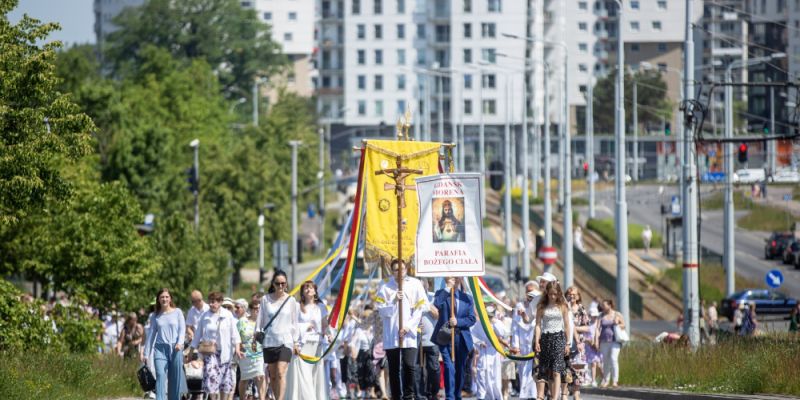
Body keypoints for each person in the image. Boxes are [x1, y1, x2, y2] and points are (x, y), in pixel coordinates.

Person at [375, 260, 428, 400]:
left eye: (402, 268)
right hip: (392, 331)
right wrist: (393, 300)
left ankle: (409, 394)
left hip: (409, 332)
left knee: (410, 365)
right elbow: (380, 309)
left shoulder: (415, 283)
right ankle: (396, 395)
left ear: (406, 269)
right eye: (396, 269)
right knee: (393, 368)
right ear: (392, 271)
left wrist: (408, 326)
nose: (400, 271)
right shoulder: (385, 284)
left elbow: (420, 308)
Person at [256, 270, 300, 400]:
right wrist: (256, 334)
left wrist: (296, 342)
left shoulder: (291, 300)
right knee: (273, 376)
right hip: (269, 341)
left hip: (285, 341)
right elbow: (260, 319)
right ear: (273, 284)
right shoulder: (265, 299)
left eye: (283, 283)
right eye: (277, 283)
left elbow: (294, 323)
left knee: (281, 373)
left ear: (286, 284)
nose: (280, 286)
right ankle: (276, 397)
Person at [192, 291, 242, 400]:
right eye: (210, 302)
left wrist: (237, 349)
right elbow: (197, 334)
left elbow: (235, 334)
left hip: (225, 353)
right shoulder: (205, 316)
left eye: (214, 302)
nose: (211, 304)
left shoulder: (227, 315)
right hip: (210, 353)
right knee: (211, 378)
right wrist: (192, 350)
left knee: (225, 382)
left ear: (220, 302)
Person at [433, 276, 476, 400]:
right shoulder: (441, 293)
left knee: (460, 369)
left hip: (461, 338)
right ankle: (450, 397)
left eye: (458, 277)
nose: (455, 280)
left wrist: (458, 322)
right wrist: (447, 288)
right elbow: (437, 304)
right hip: (445, 337)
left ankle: (457, 395)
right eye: (453, 277)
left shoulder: (467, 298)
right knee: (449, 366)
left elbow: (471, 318)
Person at [142, 288, 188, 400]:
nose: (164, 299)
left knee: (174, 379)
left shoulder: (177, 312)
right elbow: (151, 335)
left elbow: (182, 329)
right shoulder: (155, 315)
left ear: (170, 298)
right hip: (160, 349)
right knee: (160, 375)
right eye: (162, 297)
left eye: (167, 297)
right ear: (158, 299)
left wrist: (180, 343)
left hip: (175, 349)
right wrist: (146, 353)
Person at [286, 280, 328, 400]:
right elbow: (292, 325)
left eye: (310, 288)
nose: (308, 290)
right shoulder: (298, 306)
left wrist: (328, 334)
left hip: (316, 343)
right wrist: (306, 326)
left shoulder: (321, 306)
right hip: (302, 344)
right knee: (303, 372)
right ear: (302, 292)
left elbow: (325, 324)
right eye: (305, 288)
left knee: (315, 373)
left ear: (315, 291)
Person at [534, 281, 570, 400]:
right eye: (550, 294)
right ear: (547, 293)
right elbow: (538, 324)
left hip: (558, 338)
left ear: (559, 293)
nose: (552, 297)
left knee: (556, 370)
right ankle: (550, 394)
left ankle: (555, 397)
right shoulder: (541, 306)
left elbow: (567, 325)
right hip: (546, 338)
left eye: (555, 294)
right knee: (547, 370)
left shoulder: (562, 306)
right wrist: (537, 341)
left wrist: (568, 343)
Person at [511, 281, 540, 400]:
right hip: (522, 344)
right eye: (528, 291)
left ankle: (534, 395)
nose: (530, 294)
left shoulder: (539, 306)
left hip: (535, 343)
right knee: (523, 370)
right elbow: (514, 327)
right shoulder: (519, 306)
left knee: (535, 369)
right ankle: (524, 395)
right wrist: (515, 345)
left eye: (532, 291)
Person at [237, 300, 266, 400]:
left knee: (260, 376)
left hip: (259, 354)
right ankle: (242, 398)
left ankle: (262, 398)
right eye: (255, 308)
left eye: (259, 308)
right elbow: (236, 337)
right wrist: (239, 348)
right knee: (244, 379)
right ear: (250, 309)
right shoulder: (242, 321)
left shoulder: (264, 323)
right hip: (245, 355)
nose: (257, 310)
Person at [565, 287, 590, 400]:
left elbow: (587, 327)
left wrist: (575, 328)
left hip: (579, 344)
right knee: (565, 369)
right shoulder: (564, 307)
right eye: (570, 294)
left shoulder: (581, 309)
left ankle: (576, 394)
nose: (572, 296)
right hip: (565, 343)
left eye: (574, 294)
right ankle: (564, 393)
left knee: (578, 370)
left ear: (578, 296)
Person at [593, 299, 625, 388]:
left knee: (613, 359)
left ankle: (615, 381)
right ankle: (606, 380)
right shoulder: (601, 316)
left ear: (610, 305)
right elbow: (597, 328)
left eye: (604, 305)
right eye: (602, 305)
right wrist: (596, 340)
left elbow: (623, 325)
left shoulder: (617, 314)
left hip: (615, 341)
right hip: (604, 341)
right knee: (605, 361)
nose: (602, 307)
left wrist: (617, 323)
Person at [417, 281, 440, 400]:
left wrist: (425, 302)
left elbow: (437, 315)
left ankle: (434, 392)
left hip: (432, 341)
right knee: (418, 369)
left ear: (427, 285)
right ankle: (421, 395)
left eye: (423, 285)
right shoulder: (412, 296)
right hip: (417, 341)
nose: (421, 287)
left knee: (433, 369)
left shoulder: (433, 297)